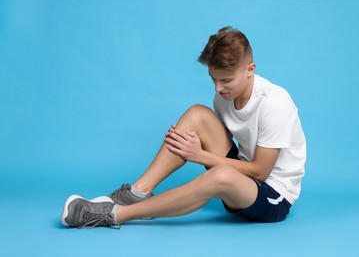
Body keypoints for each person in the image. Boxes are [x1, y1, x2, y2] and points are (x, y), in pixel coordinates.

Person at [61, 26, 306, 228]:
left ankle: (113, 215)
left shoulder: (275, 103)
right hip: (240, 180)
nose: (218, 88)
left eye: (226, 80)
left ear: (250, 70)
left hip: (271, 196)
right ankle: (137, 193)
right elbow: (222, 139)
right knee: (198, 114)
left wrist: (200, 156)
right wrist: (198, 149)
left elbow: (260, 172)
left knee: (219, 175)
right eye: (213, 79)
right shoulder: (223, 96)